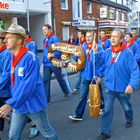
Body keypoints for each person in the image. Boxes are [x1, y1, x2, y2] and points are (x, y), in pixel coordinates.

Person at [0, 24, 58, 140]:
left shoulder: (30, 58)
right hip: (19, 105)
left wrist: (10, 103)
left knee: (48, 133)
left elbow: (28, 85)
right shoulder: (12, 57)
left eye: (9, 37)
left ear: (19, 40)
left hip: (34, 105)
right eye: (5, 37)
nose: (5, 40)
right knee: (13, 136)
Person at [94, 29, 140, 140]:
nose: (113, 39)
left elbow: (135, 70)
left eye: (116, 37)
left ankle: (129, 119)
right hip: (109, 87)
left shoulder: (127, 53)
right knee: (107, 110)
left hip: (123, 88)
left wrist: (132, 85)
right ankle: (105, 132)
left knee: (127, 107)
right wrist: (96, 54)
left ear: (121, 39)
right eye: (112, 36)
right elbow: (100, 64)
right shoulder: (107, 52)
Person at [68, 30, 103, 121]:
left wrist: (100, 76)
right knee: (82, 95)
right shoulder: (83, 47)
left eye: (90, 36)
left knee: (98, 92)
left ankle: (102, 106)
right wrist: (70, 60)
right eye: (86, 36)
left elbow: (101, 63)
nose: (87, 38)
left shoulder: (99, 48)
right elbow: (75, 58)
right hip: (85, 74)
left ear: (94, 37)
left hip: (95, 75)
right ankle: (79, 114)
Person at [42, 24, 71, 103]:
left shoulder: (54, 38)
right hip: (47, 63)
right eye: (43, 29)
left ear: (49, 30)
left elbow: (59, 49)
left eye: (45, 29)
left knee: (59, 78)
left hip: (54, 63)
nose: (44, 31)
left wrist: (53, 55)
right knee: (45, 80)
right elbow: (45, 51)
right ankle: (46, 99)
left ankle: (66, 91)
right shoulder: (45, 39)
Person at [0, 28, 11, 139]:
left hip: (6, 90)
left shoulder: (6, 53)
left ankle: (33, 125)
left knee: (18, 111)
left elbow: (6, 74)